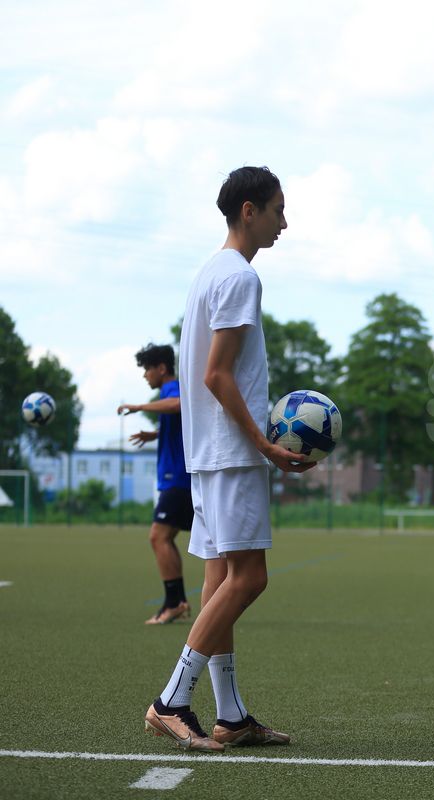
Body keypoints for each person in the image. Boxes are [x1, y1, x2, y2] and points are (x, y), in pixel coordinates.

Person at [143, 166, 313, 752]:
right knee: (250, 578)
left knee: (220, 579)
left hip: (209, 453)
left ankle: (231, 716)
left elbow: (211, 373)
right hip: (232, 454)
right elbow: (216, 375)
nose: (284, 222)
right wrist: (263, 444)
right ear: (249, 210)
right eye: (277, 210)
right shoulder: (240, 276)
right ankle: (171, 701)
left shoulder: (210, 271)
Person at [119, 343, 194, 625]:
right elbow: (179, 420)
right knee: (165, 537)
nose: (144, 375)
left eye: (147, 369)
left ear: (161, 368)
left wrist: (139, 406)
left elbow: (178, 404)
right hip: (177, 478)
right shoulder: (168, 391)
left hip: (178, 478)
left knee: (158, 536)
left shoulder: (172, 388)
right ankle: (178, 601)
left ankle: (173, 603)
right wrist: (156, 433)